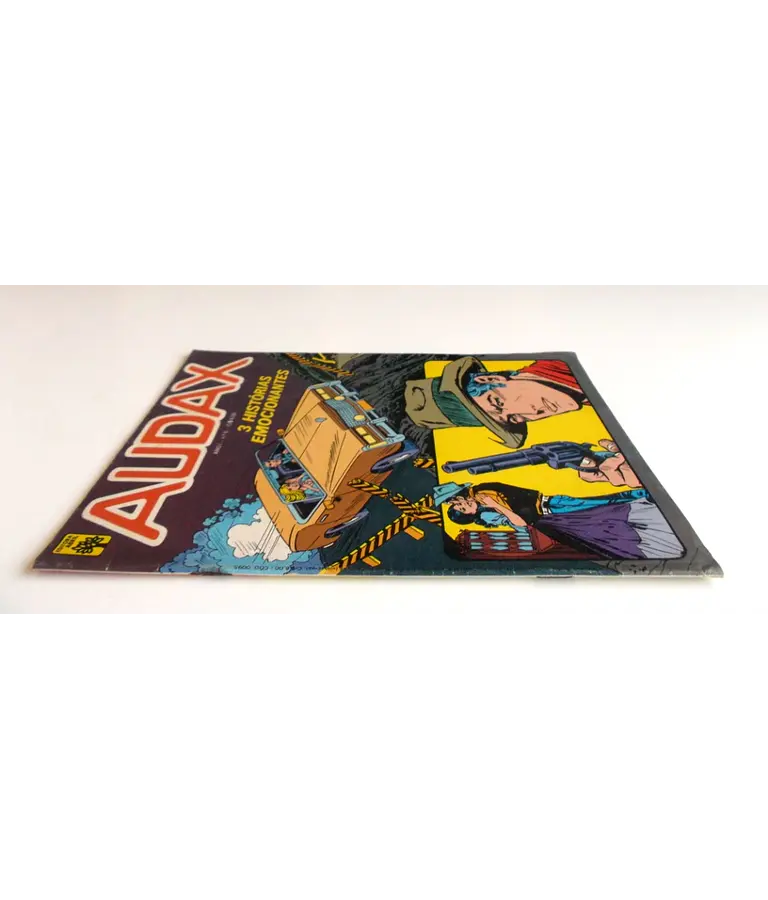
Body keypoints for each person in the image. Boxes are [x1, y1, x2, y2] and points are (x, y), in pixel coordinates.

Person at [444, 480, 683, 560]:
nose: (464, 504)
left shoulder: (479, 494)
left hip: (550, 502)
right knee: (603, 505)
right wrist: (496, 505)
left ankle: (642, 495)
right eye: (463, 509)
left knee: (601, 501)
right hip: (553, 514)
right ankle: (642, 496)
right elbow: (520, 524)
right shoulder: (487, 514)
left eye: (460, 503)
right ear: (469, 516)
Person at [404, 357, 591, 448]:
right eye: (514, 418)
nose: (532, 412)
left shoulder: (568, 365)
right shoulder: (584, 394)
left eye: (498, 402)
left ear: (490, 379)